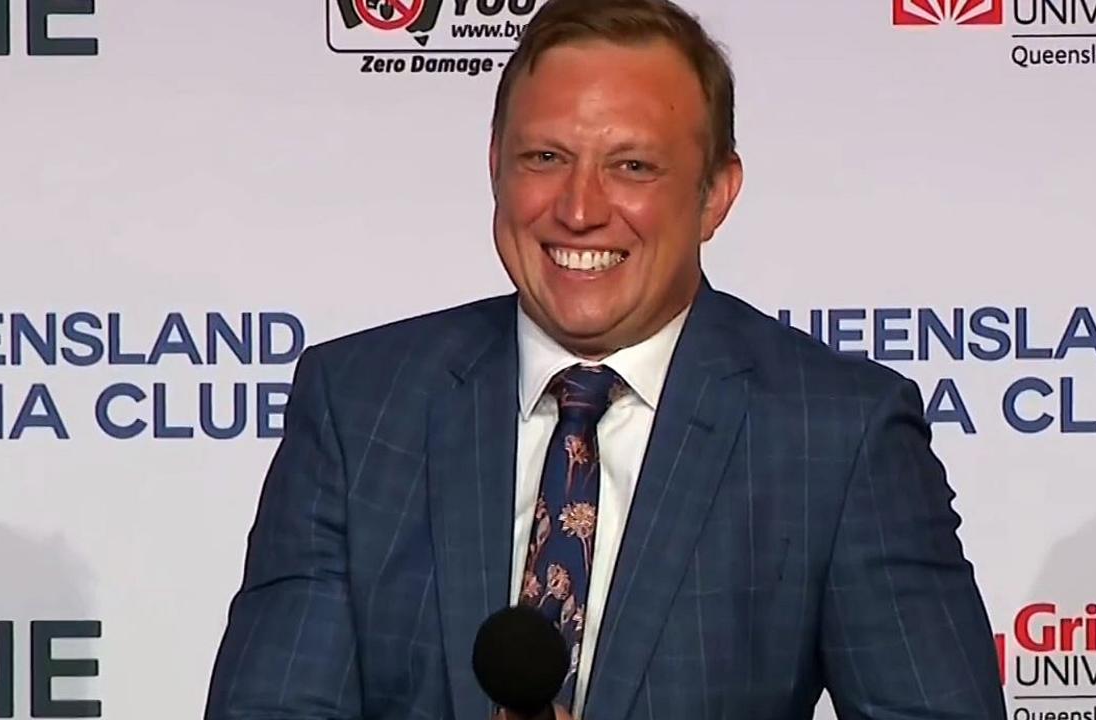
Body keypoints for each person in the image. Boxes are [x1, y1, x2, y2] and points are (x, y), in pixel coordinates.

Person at [203, 0, 1007, 718]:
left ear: (716, 195)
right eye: (544, 159)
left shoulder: (836, 435)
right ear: (495, 166)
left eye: (633, 167)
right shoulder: (361, 407)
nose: (580, 210)